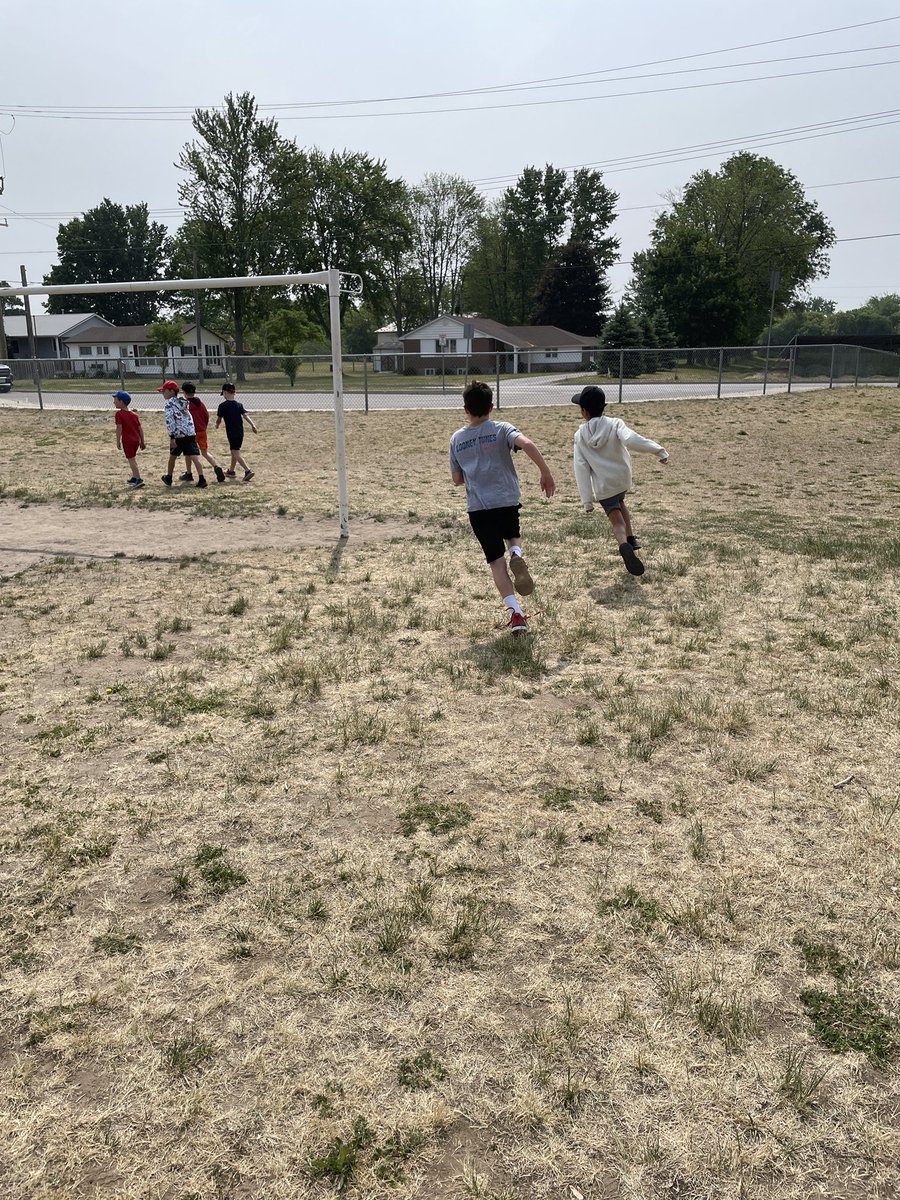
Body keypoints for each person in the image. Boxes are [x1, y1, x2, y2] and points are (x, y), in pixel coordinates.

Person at [449, 380, 555, 635]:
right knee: (512, 535)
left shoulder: (457, 439)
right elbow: (527, 444)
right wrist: (545, 472)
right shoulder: (502, 429)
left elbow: (457, 479)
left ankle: (516, 614)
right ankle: (516, 554)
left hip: (479, 508)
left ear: (466, 409)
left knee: (496, 562)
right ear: (491, 407)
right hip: (506, 500)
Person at [571, 385, 669, 577]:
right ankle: (631, 539)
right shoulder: (615, 424)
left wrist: (587, 501)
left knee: (616, 520)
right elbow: (631, 439)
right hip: (622, 480)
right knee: (620, 502)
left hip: (604, 486)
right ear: (603, 407)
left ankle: (623, 543)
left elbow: (580, 468)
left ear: (584, 412)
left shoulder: (580, 436)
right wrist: (658, 450)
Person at [158, 380, 207, 488]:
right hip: (190, 433)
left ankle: (169, 477)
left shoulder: (169, 404)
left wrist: (172, 437)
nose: (163, 393)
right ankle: (202, 478)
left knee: (173, 456)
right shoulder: (183, 402)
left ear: (171, 391)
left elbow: (170, 420)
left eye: (164, 391)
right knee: (194, 456)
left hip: (178, 434)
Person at [177, 382, 226, 483]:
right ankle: (216, 466)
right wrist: (204, 426)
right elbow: (206, 416)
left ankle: (189, 473)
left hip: (192, 433)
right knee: (204, 452)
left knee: (189, 453)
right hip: (202, 431)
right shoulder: (201, 403)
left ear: (184, 392)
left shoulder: (186, 405)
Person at [215, 383, 257, 481]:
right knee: (234, 450)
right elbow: (245, 415)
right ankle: (231, 471)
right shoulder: (239, 405)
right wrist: (252, 425)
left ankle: (247, 470)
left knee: (235, 451)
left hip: (231, 432)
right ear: (234, 393)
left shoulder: (222, 406)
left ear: (225, 393)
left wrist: (217, 425)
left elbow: (219, 419)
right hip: (240, 432)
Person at [112, 390, 145, 488]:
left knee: (131, 460)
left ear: (121, 402)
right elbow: (140, 428)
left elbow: (119, 428)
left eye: (115, 400)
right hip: (136, 440)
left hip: (128, 441)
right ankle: (134, 477)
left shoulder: (119, 414)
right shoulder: (134, 414)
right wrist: (142, 441)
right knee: (132, 458)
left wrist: (118, 441)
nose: (114, 402)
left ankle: (138, 479)